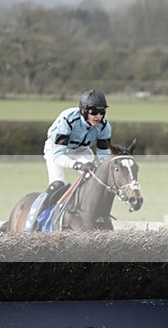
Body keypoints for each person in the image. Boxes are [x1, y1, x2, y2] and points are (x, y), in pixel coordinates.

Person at [32, 89, 113, 226]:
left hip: (81, 151)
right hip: (56, 150)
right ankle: (35, 222)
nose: (98, 116)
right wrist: (78, 165)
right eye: (94, 112)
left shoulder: (104, 126)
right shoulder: (68, 119)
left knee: (94, 181)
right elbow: (58, 156)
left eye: (102, 112)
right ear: (83, 111)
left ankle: (94, 218)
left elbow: (103, 156)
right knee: (57, 185)